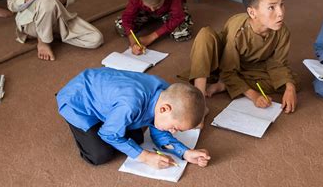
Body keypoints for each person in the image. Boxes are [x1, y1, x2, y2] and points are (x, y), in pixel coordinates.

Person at [56, 67, 211, 168]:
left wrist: (185, 152)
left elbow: (159, 131)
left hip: (111, 97)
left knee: (136, 138)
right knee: (101, 155)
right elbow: (108, 134)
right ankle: (96, 123)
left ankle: (113, 118)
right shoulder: (130, 105)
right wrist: (144, 157)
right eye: (175, 128)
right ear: (164, 109)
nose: (173, 132)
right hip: (77, 101)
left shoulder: (165, 94)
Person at [183, 0, 298, 113]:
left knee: (294, 81)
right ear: (252, 12)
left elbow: (278, 64)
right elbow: (228, 68)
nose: (281, 13)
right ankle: (200, 99)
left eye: (282, 4)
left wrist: (290, 88)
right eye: (271, 7)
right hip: (222, 61)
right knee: (205, 35)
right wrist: (254, 95)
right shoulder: (237, 29)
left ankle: (227, 85)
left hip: (253, 68)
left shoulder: (282, 31)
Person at [115, 0, 193, 55]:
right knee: (121, 26)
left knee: (182, 33)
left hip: (167, 11)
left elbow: (177, 16)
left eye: (157, 6)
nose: (153, 9)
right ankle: (154, 19)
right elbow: (127, 17)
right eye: (148, 5)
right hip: (144, 12)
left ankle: (158, 21)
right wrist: (133, 41)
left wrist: (151, 37)